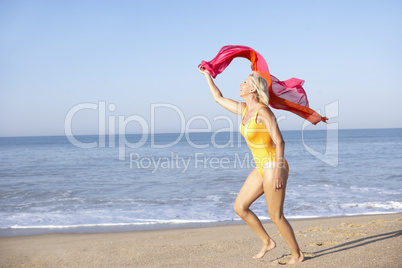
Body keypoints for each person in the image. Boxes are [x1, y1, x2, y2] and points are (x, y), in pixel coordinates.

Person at [199, 66, 304, 264]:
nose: (241, 84)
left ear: (253, 89)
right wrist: (207, 76)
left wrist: (280, 172)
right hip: (261, 167)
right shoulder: (245, 110)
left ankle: (297, 255)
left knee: (275, 215)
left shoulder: (264, 112)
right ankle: (267, 241)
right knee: (240, 207)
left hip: (274, 165)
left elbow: (280, 142)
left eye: (244, 82)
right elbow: (218, 98)